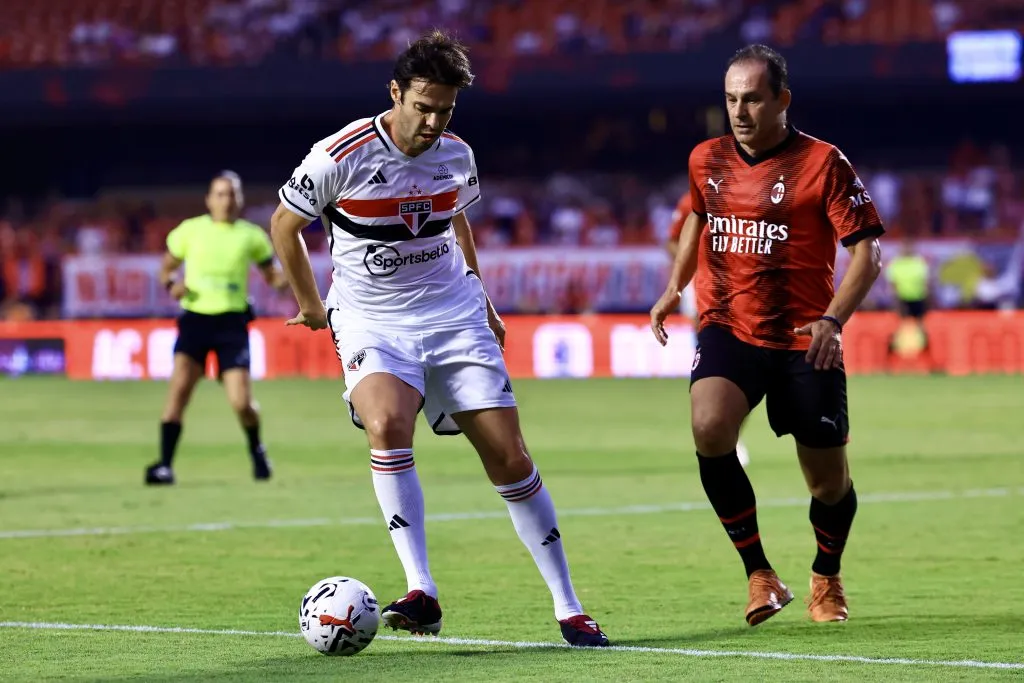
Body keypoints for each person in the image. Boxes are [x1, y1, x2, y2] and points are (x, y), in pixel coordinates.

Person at [269, 31, 609, 647]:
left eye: (444, 110)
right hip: (373, 320)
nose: (431, 121)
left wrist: (482, 296)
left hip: (453, 314)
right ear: (395, 93)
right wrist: (310, 304)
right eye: (422, 106)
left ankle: (569, 606)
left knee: (510, 458)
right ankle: (421, 589)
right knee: (386, 426)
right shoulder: (339, 155)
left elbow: (457, 217)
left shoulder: (456, 153)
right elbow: (284, 224)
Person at [650, 44, 884, 626]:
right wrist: (675, 285)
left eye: (752, 98)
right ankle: (760, 574)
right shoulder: (706, 159)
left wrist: (833, 319)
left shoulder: (824, 164)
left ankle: (826, 577)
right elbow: (697, 220)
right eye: (731, 99)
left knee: (828, 482)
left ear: (782, 99)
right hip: (730, 326)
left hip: (807, 337)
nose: (740, 110)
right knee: (708, 426)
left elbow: (868, 254)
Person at [145, 172, 288, 486]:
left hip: (232, 323)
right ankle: (165, 465)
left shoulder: (251, 236)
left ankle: (257, 450)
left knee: (241, 402)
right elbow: (166, 268)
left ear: (240, 200)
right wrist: (172, 284)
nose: (227, 200)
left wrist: (287, 279)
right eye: (221, 194)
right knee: (178, 394)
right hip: (195, 319)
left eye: (232, 194)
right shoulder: (190, 231)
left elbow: (273, 276)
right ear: (209, 199)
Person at [665, 191, 751, 468]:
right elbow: (672, 241)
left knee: (745, 368)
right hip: (703, 287)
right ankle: (721, 433)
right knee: (714, 358)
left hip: (745, 288)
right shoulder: (692, 197)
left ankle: (731, 432)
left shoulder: (752, 191)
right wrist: (695, 262)